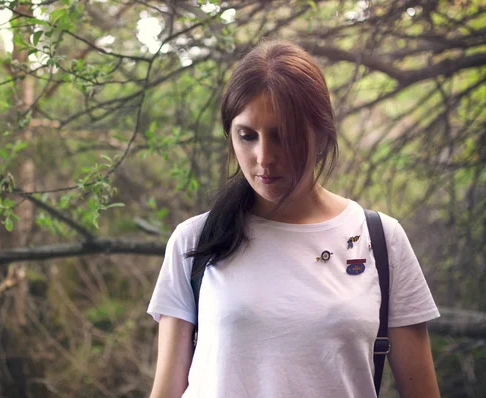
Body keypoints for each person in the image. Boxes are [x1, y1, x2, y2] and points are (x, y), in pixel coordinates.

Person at [146, 40, 441, 398]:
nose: (263, 157)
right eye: (247, 136)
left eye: (282, 136)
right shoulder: (196, 240)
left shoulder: (379, 239)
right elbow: (167, 391)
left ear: (321, 134)